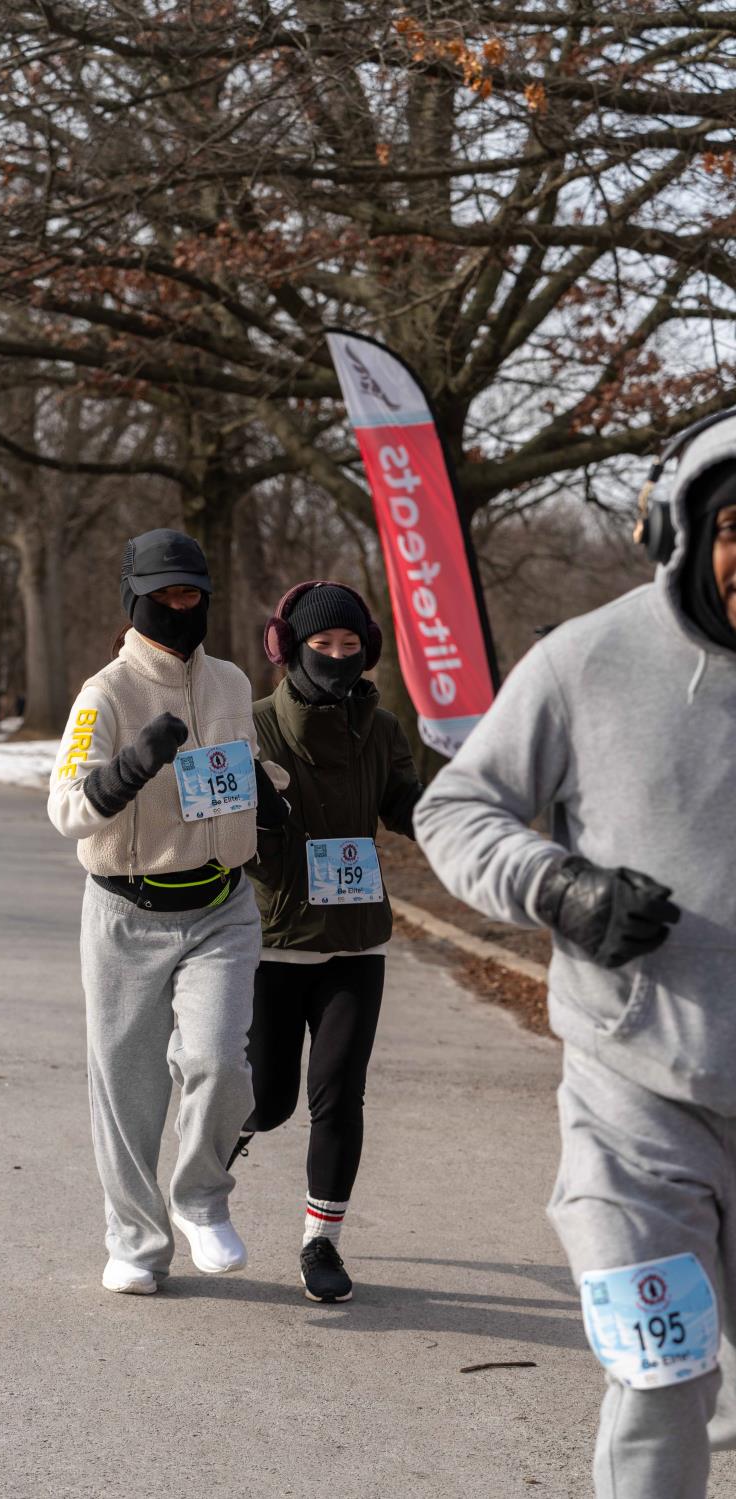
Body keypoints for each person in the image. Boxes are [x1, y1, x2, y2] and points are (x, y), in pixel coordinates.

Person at [414, 424, 736, 1499]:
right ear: (678, 531)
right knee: (661, 1374)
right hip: (633, 1097)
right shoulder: (587, 661)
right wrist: (558, 889)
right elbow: (455, 807)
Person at [47, 529, 287, 1296]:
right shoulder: (105, 693)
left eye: (193, 594)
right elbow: (66, 807)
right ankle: (136, 1244)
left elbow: (242, 768)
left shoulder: (230, 682)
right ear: (135, 599)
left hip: (221, 907)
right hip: (127, 914)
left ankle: (201, 1198)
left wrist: (269, 794)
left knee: (219, 1059)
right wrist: (130, 765)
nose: (181, 607)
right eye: (165, 596)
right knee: (129, 1090)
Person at [236, 581, 422, 1303]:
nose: (338, 657)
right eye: (322, 644)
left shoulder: (383, 728)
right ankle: (204, 1175)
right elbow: (213, 821)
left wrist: (453, 809)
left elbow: (404, 804)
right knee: (267, 1100)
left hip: (355, 941)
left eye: (350, 645)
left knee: (340, 1096)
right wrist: (259, 822)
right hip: (274, 941)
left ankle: (322, 1242)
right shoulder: (252, 724)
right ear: (289, 647)